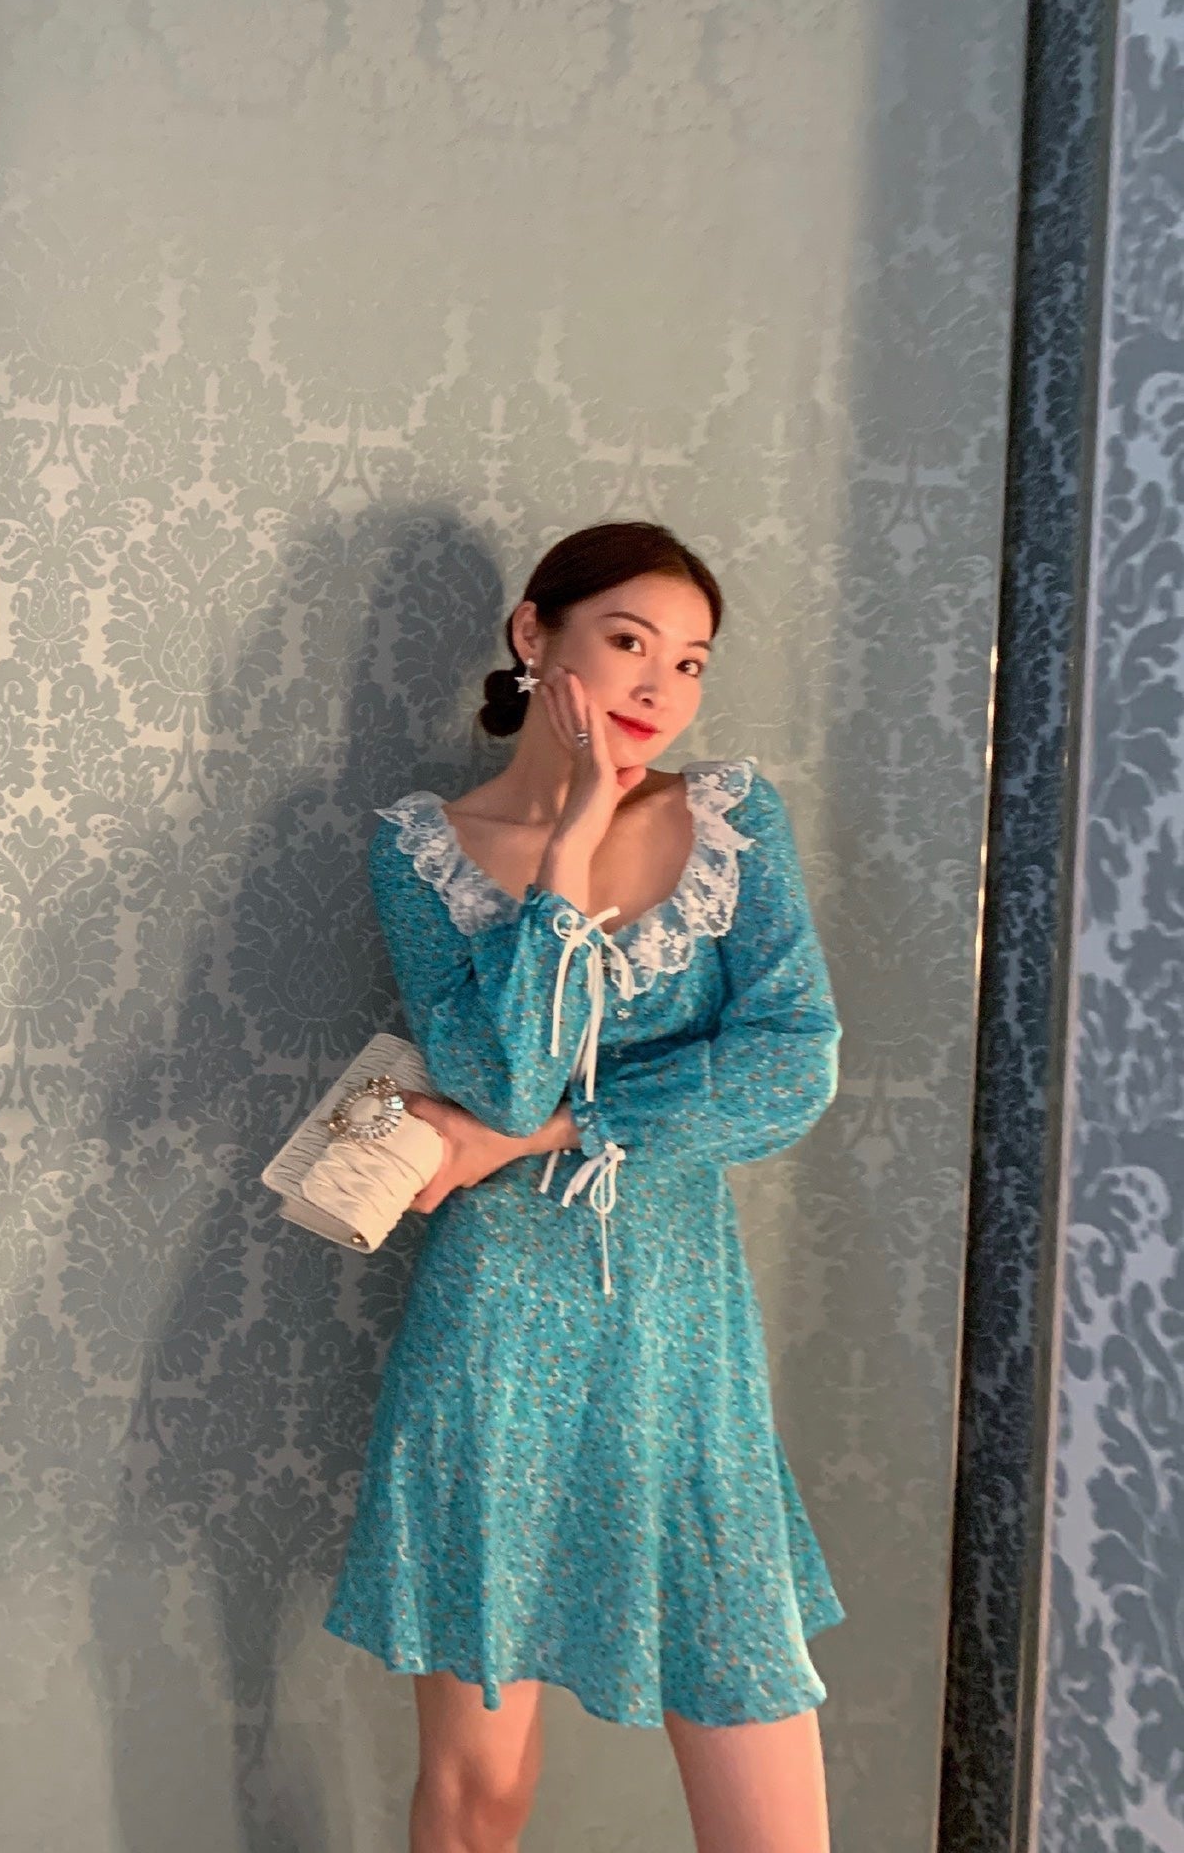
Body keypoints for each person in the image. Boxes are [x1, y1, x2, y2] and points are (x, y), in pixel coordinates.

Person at [323, 520, 845, 1853]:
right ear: (533, 638)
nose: (660, 686)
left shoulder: (731, 822)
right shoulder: (423, 849)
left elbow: (791, 1068)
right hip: (497, 1340)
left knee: (769, 1797)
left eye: (692, 661)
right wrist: (567, 850)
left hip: (683, 1341)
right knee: (477, 1796)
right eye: (627, 642)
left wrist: (558, 1133)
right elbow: (494, 1081)